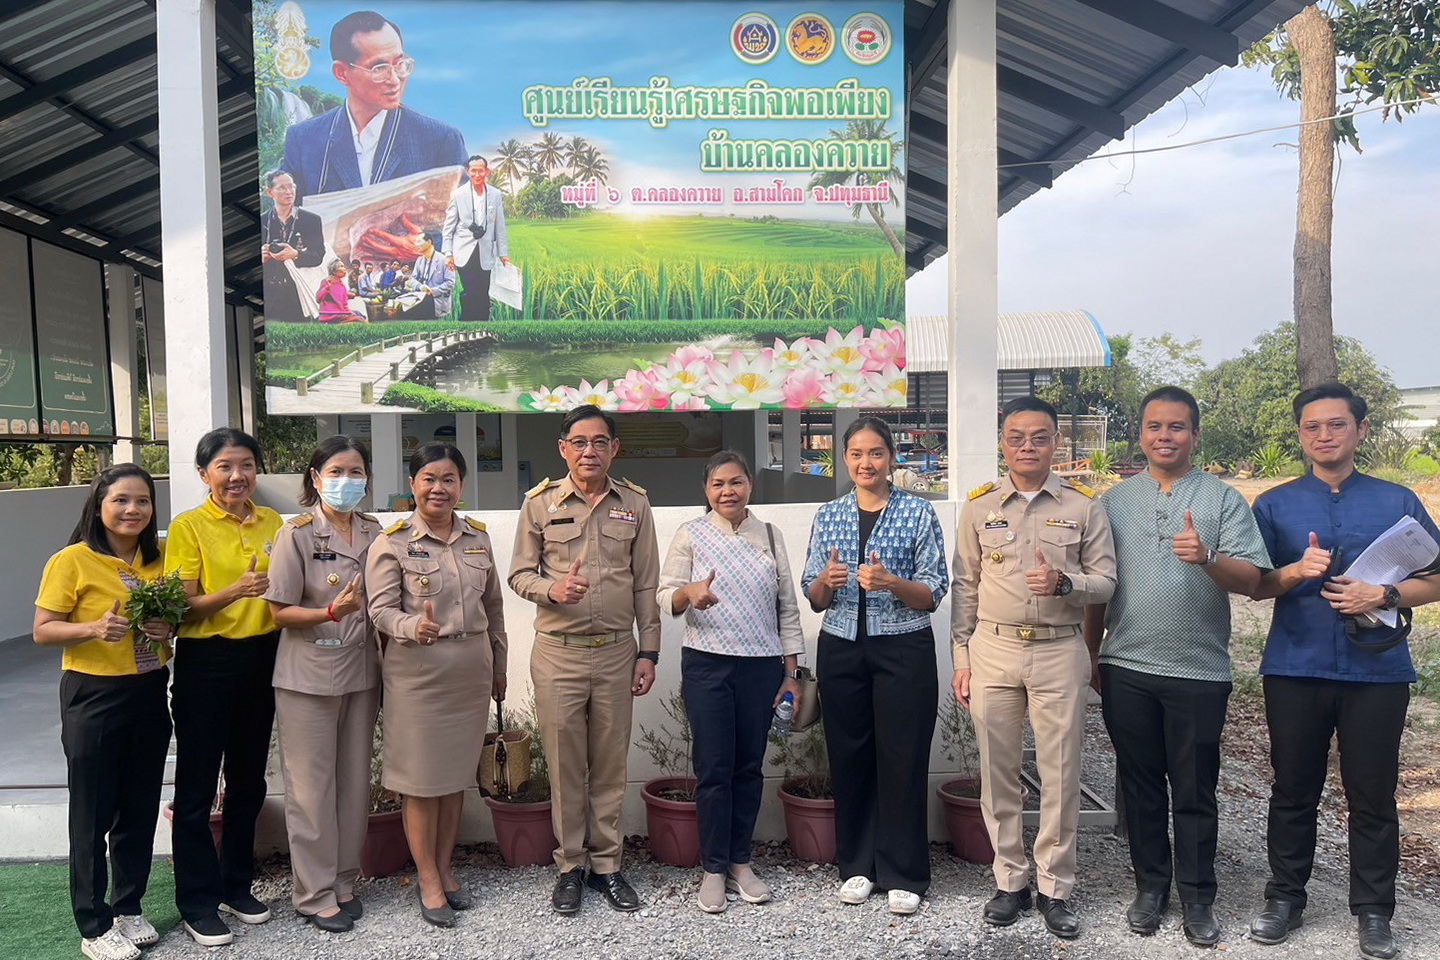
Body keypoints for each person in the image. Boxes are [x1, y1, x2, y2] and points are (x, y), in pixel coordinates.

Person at [1247, 383, 1440, 960]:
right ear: (1300, 434)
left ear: (1359, 430)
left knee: (1374, 795)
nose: (1324, 436)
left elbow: (1435, 577)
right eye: (1312, 427)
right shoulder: (1275, 504)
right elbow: (1254, 584)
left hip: (1377, 673)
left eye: (1336, 425)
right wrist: (1292, 573)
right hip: (1295, 667)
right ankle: (1284, 898)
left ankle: (1375, 911)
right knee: (1292, 790)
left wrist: (1383, 595)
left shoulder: (1397, 501)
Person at [1082, 386, 1269, 947]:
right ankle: (1150, 888)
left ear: (1195, 434)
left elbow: (1254, 581)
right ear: (1139, 434)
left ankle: (1197, 896)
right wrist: (1092, 654)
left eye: (1178, 427)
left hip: (1198, 672)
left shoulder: (1223, 500)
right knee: (1138, 786)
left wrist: (1208, 558)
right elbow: (1098, 591)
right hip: (1126, 666)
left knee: (1193, 789)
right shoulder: (1113, 503)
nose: (1165, 437)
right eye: (1155, 427)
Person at [950, 397, 1117, 938]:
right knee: (998, 773)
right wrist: (961, 658)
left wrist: (1066, 584)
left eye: (1039, 437)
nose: (1027, 446)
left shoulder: (1085, 507)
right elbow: (965, 588)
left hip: (1058, 647)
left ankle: (1054, 887)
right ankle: (1010, 880)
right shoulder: (979, 507)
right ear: (1003, 443)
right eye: (1017, 436)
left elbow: (1108, 583)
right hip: (993, 650)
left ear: (1055, 445)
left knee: (1060, 772)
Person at [507, 405, 660, 915]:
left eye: (599, 442)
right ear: (563, 448)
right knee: (566, 765)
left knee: (611, 766)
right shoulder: (539, 504)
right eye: (579, 441)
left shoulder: (635, 503)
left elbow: (646, 584)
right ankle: (570, 866)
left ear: (614, 449)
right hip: (558, 655)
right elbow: (519, 575)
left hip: (618, 652)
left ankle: (608, 867)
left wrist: (649, 651)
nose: (589, 450)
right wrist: (554, 589)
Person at [800, 417, 948, 916]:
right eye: (857, 454)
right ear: (844, 459)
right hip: (842, 648)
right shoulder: (828, 515)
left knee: (903, 756)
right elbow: (815, 597)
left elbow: (932, 592)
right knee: (850, 754)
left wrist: (891, 583)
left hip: (902, 649)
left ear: (891, 458)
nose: (867, 463)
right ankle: (857, 865)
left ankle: (904, 870)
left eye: (877, 453)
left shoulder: (918, 512)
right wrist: (825, 579)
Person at [34, 465, 174, 960]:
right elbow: (43, 629)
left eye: (142, 501)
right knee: (93, 811)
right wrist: (91, 630)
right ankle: (93, 925)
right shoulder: (72, 560)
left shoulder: (158, 561)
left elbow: (167, 625)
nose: (132, 509)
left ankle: (128, 906)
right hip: (93, 694)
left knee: (138, 805)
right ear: (99, 506)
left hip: (149, 690)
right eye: (120, 500)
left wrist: (165, 632)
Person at [656, 451, 805, 914]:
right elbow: (665, 594)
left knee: (748, 766)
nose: (728, 492)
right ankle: (714, 868)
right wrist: (688, 594)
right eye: (718, 484)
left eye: (736, 482)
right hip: (707, 664)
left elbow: (787, 607)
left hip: (761, 666)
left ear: (750, 487)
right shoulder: (692, 534)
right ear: (706, 490)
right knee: (714, 767)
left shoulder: (770, 536)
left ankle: (741, 861)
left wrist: (791, 673)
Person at [367, 442, 507, 927]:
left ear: (461, 486)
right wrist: (413, 628)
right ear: (412, 484)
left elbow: (493, 609)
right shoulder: (392, 542)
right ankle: (427, 879)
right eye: (428, 478)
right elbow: (379, 610)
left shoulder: (479, 539)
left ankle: (445, 870)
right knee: (422, 786)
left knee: (452, 783)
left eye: (448, 479)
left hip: (470, 672)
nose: (438, 488)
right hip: (419, 675)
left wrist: (500, 666)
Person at [166, 428, 284, 947]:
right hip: (206, 662)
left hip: (263, 659)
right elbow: (182, 607)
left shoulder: (274, 522)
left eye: (246, 466)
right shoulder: (188, 527)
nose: (237, 476)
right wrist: (237, 590)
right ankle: (196, 900)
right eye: (225, 467)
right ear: (203, 474)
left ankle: (237, 885)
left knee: (248, 781)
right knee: (195, 789)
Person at [263, 437, 382, 933]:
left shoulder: (377, 533)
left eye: (356, 472)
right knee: (312, 789)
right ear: (315, 478)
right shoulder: (295, 536)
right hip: (308, 677)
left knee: (355, 782)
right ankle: (313, 894)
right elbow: (277, 612)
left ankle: (344, 880)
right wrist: (331, 611)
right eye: (335, 471)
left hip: (361, 673)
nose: (346, 481)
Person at [281, 10, 466, 198]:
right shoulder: (304, 140)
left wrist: (421, 230)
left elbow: (469, 219)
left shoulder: (440, 140)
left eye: (400, 64)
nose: (395, 79)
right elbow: (283, 219)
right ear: (342, 73)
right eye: (379, 68)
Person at [443, 155, 510, 322]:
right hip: (464, 251)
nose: (477, 175)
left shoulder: (495, 194)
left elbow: (499, 226)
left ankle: (483, 328)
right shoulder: (458, 194)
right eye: (474, 171)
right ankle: (466, 326)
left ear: (486, 171)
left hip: (486, 251)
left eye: (481, 171)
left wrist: (503, 253)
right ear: (468, 172)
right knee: (470, 291)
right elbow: (448, 227)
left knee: (483, 292)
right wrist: (448, 253)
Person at [261, 170, 325, 322]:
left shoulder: (311, 220)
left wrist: (296, 254)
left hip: (300, 291)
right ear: (270, 192)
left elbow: (318, 256)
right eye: (282, 188)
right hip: (270, 293)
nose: (289, 192)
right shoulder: (262, 221)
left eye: (292, 187)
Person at [385, 235, 453, 320]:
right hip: (420, 295)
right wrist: (420, 287)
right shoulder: (419, 260)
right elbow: (412, 279)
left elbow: (450, 283)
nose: (416, 244)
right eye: (415, 242)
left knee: (413, 309)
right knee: (399, 303)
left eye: (419, 242)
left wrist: (432, 291)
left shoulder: (444, 260)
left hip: (436, 298)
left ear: (429, 242)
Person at [317, 259, 363, 323]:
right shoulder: (328, 281)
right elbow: (319, 298)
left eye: (343, 266)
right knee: (359, 319)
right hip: (333, 314)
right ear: (334, 270)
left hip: (340, 312)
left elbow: (339, 294)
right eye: (341, 266)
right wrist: (327, 288)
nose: (344, 269)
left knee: (359, 314)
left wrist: (349, 295)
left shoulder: (339, 282)